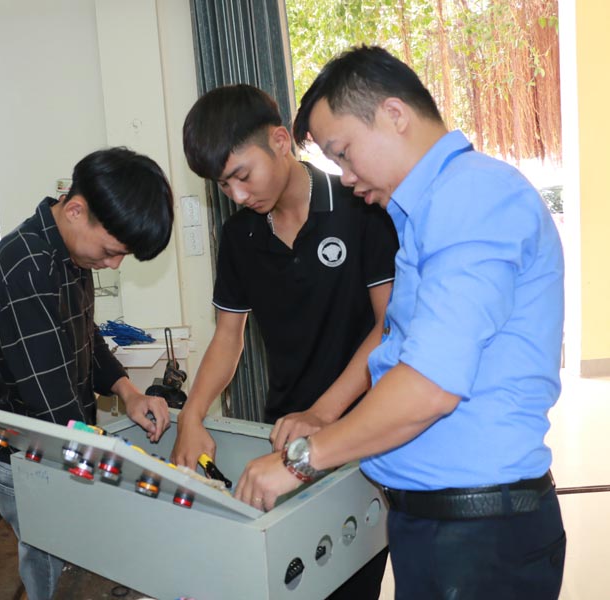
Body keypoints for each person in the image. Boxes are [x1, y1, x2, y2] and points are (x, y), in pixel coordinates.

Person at [236, 46, 566, 600]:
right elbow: (394, 342)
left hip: (479, 536)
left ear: (394, 114)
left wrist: (300, 462)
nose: (344, 177)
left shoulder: (472, 197)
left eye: (344, 153)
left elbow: (429, 387)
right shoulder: (424, 213)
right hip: (442, 527)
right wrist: (323, 417)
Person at [174, 83, 398, 599]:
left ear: (279, 141)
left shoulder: (358, 205)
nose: (236, 195)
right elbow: (228, 337)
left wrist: (322, 415)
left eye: (241, 176)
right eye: (222, 185)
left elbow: (389, 327)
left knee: (348, 582)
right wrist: (192, 415)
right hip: (281, 438)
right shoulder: (239, 238)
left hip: (362, 434)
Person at [0, 147, 174, 600]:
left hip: (70, 450)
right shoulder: (27, 264)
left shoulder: (69, 254)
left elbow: (83, 336)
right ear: (75, 210)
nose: (113, 265)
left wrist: (128, 393)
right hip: (41, 465)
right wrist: (125, 469)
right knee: (61, 586)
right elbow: (52, 404)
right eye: (111, 252)